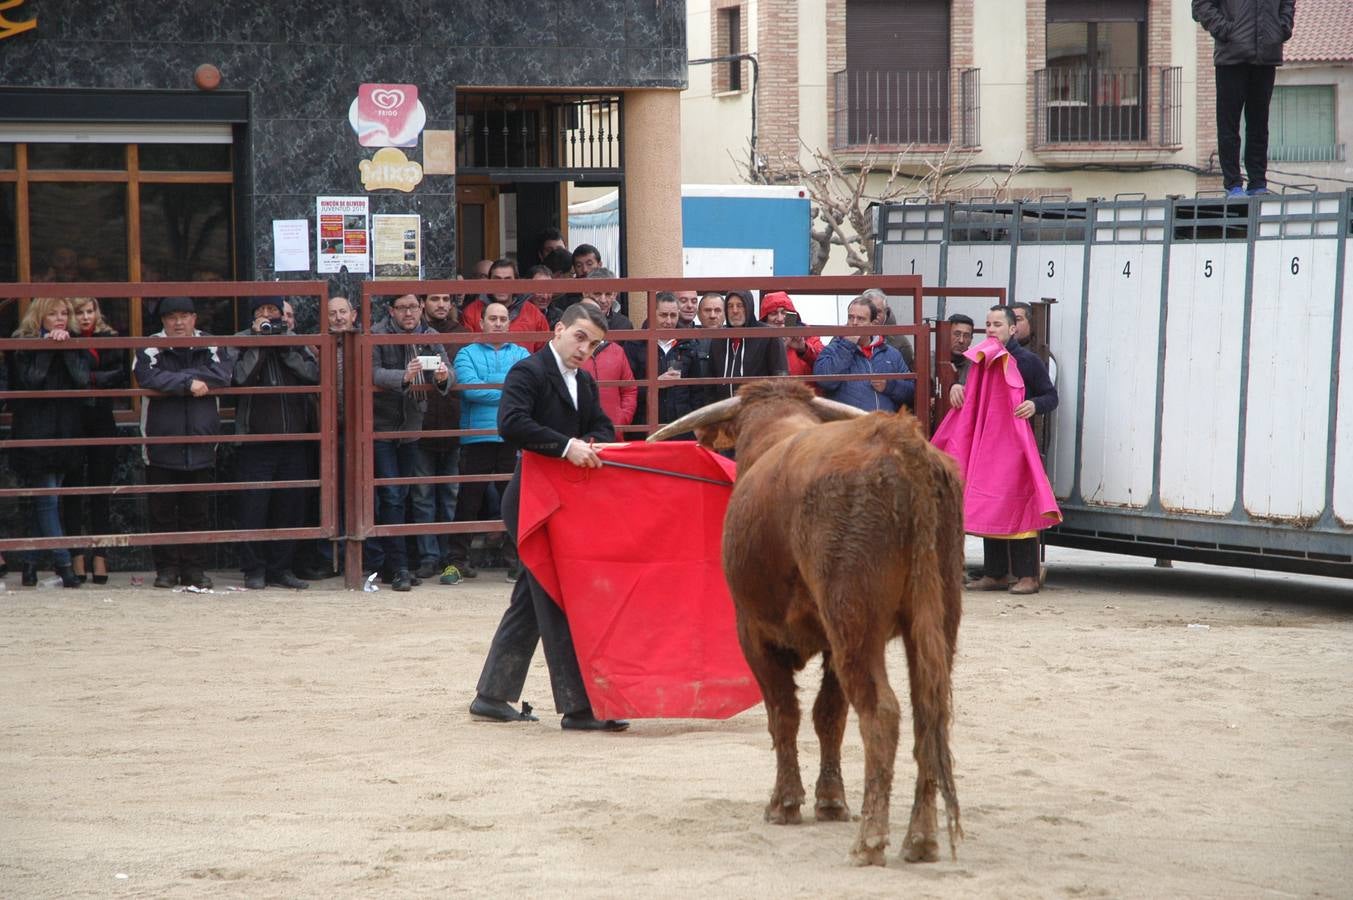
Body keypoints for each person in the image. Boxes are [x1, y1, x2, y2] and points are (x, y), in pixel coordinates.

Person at [469, 302, 628, 732]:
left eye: (593, 344)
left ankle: (492, 694)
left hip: (560, 504)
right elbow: (511, 423)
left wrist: (591, 441)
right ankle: (578, 707)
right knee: (557, 596)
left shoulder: (585, 382)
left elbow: (602, 426)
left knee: (532, 598)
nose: (584, 349)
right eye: (579, 337)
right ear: (558, 330)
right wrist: (566, 447)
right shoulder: (529, 371)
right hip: (530, 502)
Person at [942, 305, 1058, 595]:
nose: (991, 329)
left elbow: (1050, 396)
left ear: (1012, 330)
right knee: (990, 502)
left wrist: (1034, 405)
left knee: (1017, 502)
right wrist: (957, 388)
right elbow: (964, 388)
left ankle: (1028, 575)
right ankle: (995, 574)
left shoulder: (1028, 362)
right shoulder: (980, 359)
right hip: (986, 443)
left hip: (1016, 444)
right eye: (988, 324)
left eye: (997, 325)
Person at [134, 297, 232, 590]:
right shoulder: (150, 345)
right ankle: (165, 570)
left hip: (201, 442)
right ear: (163, 321)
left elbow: (223, 374)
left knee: (197, 512)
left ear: (194, 318)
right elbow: (146, 375)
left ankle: (194, 570)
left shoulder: (211, 343)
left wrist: (176, 381)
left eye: (185, 316)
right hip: (160, 442)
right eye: (172, 317)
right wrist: (188, 385)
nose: (178, 323)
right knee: (161, 511)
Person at [231, 296, 319, 591]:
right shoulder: (239, 340)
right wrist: (259, 343)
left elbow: (314, 375)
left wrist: (285, 349)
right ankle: (253, 569)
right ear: (252, 316)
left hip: (295, 439)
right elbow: (239, 379)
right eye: (262, 311)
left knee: (290, 506)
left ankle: (282, 568)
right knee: (253, 508)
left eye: (273, 311)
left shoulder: (296, 341)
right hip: (255, 441)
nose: (268, 316)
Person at [442, 301, 529, 586]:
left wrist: (492, 385)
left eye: (503, 318)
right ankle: (456, 562)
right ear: (481, 322)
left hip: (511, 436)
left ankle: (518, 562)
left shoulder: (522, 353)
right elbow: (470, 390)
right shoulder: (466, 353)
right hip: (476, 436)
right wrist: (507, 388)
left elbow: (525, 391)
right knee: (468, 501)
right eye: (493, 318)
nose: (499, 323)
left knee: (515, 502)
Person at [370, 293, 452, 590]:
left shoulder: (430, 335)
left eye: (414, 307)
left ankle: (399, 565)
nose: (409, 313)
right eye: (402, 308)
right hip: (381, 427)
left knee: (405, 494)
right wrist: (403, 377)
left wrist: (442, 377)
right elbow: (373, 372)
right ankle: (399, 566)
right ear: (390, 310)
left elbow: (449, 373)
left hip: (413, 426)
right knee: (392, 494)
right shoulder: (377, 334)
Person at [8, 297, 89, 588]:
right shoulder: (21, 343)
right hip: (34, 431)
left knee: (46, 499)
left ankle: (29, 565)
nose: (59, 318)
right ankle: (64, 563)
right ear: (39, 316)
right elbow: (31, 380)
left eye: (64, 313)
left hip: (65, 431)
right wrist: (47, 347)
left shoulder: (75, 341)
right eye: (52, 313)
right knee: (48, 498)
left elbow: (82, 379)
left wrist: (66, 348)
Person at [1193, 0, 1296, 197]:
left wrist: (1282, 27)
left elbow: (1288, 3)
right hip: (1231, 57)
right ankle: (1233, 184)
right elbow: (1201, 5)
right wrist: (1227, 31)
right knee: (1228, 125)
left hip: (1266, 55)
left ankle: (1258, 182)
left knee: (1259, 124)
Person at [63, 297, 128, 584]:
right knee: (73, 490)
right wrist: (96, 377)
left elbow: (121, 375)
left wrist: (90, 378)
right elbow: (71, 378)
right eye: (80, 312)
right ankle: (76, 555)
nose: (86, 317)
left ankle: (100, 555)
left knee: (101, 489)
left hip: (102, 419)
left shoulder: (110, 337)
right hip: (72, 420)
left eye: (90, 311)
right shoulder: (65, 339)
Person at [422, 291, 468, 569]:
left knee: (451, 494)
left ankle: (450, 557)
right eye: (434, 299)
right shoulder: (415, 333)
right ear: (423, 303)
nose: (440, 304)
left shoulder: (462, 335)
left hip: (453, 423)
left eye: (445, 299)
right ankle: (429, 557)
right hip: (421, 425)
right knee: (422, 495)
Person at [813, 297, 915, 413]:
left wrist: (889, 386)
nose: (854, 323)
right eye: (851, 317)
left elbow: (912, 392)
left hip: (884, 426)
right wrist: (847, 346)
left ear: (873, 324)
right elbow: (824, 382)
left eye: (861, 319)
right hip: (851, 426)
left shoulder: (891, 354)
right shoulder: (833, 348)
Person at [709, 288, 787, 399]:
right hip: (724, 411)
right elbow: (710, 383)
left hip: (757, 410)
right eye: (730, 306)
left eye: (740, 305)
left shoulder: (769, 335)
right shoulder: (718, 339)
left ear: (749, 307)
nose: (734, 310)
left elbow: (780, 378)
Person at [461, 258, 550, 352]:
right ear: (489, 282)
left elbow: (545, 354)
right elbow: (467, 352)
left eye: (508, 280)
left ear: (516, 283)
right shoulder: (471, 313)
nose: (502, 285)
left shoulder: (534, 314)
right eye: (497, 280)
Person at [578, 297, 637, 431]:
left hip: (613, 435)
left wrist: (622, 419)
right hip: (577, 439)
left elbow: (629, 390)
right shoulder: (569, 352)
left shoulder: (617, 351)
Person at [759, 291, 821, 385]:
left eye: (784, 312)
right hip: (772, 397)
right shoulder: (758, 342)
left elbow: (825, 366)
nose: (780, 319)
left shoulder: (808, 335)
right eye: (773, 313)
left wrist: (804, 350)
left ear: (793, 315)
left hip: (805, 397)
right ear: (765, 320)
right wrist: (777, 351)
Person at [948, 313, 975, 382]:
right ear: (946, 335)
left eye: (966, 336)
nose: (961, 341)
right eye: (957, 334)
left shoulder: (975, 366)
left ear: (971, 339)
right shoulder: (930, 361)